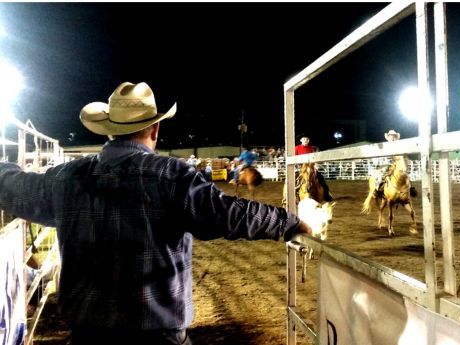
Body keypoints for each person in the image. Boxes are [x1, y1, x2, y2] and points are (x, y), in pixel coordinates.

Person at [0, 81, 312, 345]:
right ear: (155, 128)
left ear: (108, 131)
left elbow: (13, 188)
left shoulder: (66, 178)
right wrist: (287, 222)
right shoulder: (173, 175)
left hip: (88, 332)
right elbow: (227, 213)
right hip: (156, 331)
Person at [293, 136, 333, 202]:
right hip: (301, 167)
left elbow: (313, 158)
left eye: (307, 139)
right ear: (301, 140)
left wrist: (315, 165)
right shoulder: (297, 148)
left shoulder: (311, 148)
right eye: (304, 139)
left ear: (309, 140)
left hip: (310, 167)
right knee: (295, 178)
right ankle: (294, 195)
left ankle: (326, 194)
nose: (305, 140)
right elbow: (294, 158)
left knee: (320, 177)